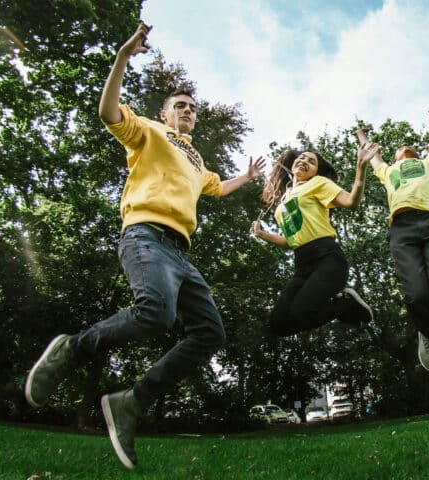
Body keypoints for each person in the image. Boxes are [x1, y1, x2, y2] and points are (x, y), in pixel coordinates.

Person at [23, 22, 266, 469]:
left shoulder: (196, 159)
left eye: (192, 107)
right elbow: (107, 112)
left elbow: (214, 188)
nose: (188, 110)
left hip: (180, 252)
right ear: (165, 112)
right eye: (180, 105)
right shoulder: (149, 132)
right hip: (145, 235)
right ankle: (71, 349)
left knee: (210, 332)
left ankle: (131, 403)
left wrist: (247, 179)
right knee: (156, 312)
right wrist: (121, 59)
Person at [366, 108, 429, 381]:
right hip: (402, 228)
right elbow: (371, 154)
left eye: (409, 145)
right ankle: (426, 333)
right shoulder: (388, 171)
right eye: (400, 148)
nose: (404, 147)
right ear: (395, 158)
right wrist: (360, 134)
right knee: (416, 294)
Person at [251, 145, 377, 336]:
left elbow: (352, 201)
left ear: (316, 171)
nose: (304, 162)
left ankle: (344, 304)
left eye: (312, 162)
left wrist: (361, 166)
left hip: (326, 258)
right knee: (279, 324)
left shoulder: (318, 183)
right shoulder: (285, 199)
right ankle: (342, 305)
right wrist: (263, 235)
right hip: (302, 264)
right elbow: (291, 241)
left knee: (301, 312)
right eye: (301, 158)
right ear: (293, 163)